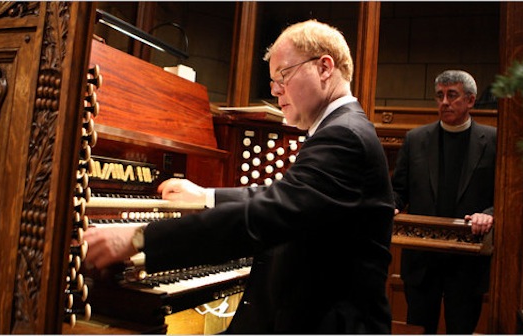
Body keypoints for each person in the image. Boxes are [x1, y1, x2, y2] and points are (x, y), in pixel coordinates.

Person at [84, 19, 395, 334]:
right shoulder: (342, 128)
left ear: (325, 67)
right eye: (273, 80)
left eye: (282, 75)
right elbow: (284, 196)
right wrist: (206, 196)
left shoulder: (344, 136)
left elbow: (269, 213)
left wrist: (139, 237)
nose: (275, 90)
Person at [391, 70, 497, 334]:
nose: (444, 102)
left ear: (471, 100)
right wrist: (390, 205)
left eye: (452, 95)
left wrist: (489, 213)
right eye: (439, 96)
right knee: (418, 327)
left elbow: (504, 197)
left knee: (460, 329)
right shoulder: (416, 139)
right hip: (422, 259)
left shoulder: (494, 141)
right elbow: (398, 190)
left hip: (467, 261)